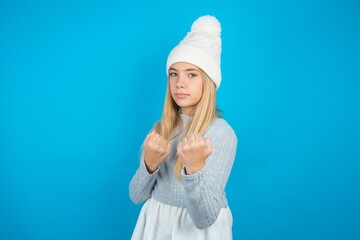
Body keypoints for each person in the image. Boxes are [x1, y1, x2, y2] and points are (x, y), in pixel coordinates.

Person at [129, 15, 237, 240]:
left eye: (192, 74)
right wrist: (149, 163)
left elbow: (204, 217)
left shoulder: (221, 133)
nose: (180, 83)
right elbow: (137, 196)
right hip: (156, 225)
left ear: (208, 81)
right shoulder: (163, 128)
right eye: (173, 74)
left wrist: (194, 168)